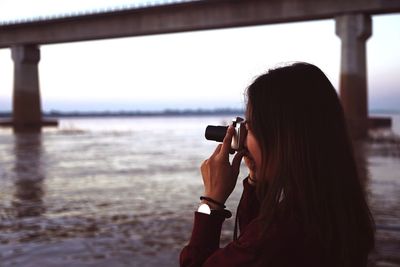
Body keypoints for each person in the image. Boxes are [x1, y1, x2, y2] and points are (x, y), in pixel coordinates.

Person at [180, 62, 375, 267]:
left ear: (280, 140)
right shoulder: (334, 208)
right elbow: (250, 237)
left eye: (251, 126)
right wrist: (256, 183)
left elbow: (254, 246)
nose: (244, 136)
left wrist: (211, 202)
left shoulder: (278, 235)